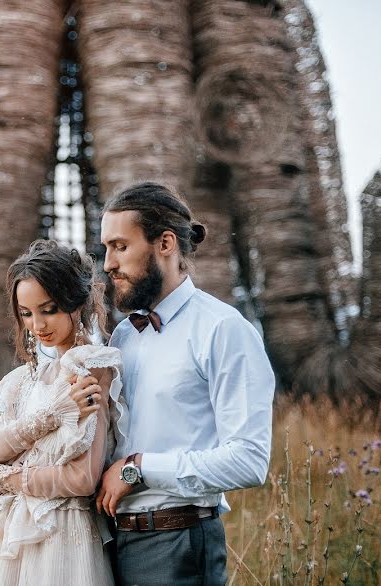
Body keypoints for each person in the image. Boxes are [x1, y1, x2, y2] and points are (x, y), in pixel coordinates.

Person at [69, 182, 276, 585]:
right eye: (106, 248)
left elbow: (250, 461)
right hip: (109, 542)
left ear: (165, 243)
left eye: (120, 246)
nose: (107, 264)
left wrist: (140, 469)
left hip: (177, 543)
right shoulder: (125, 335)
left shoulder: (224, 330)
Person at [0, 239, 126, 586]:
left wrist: (5, 479)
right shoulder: (21, 380)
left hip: (63, 536)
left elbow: (82, 479)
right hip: (15, 537)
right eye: (26, 313)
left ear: (75, 302)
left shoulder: (91, 366)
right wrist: (51, 416)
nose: (37, 325)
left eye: (49, 309)